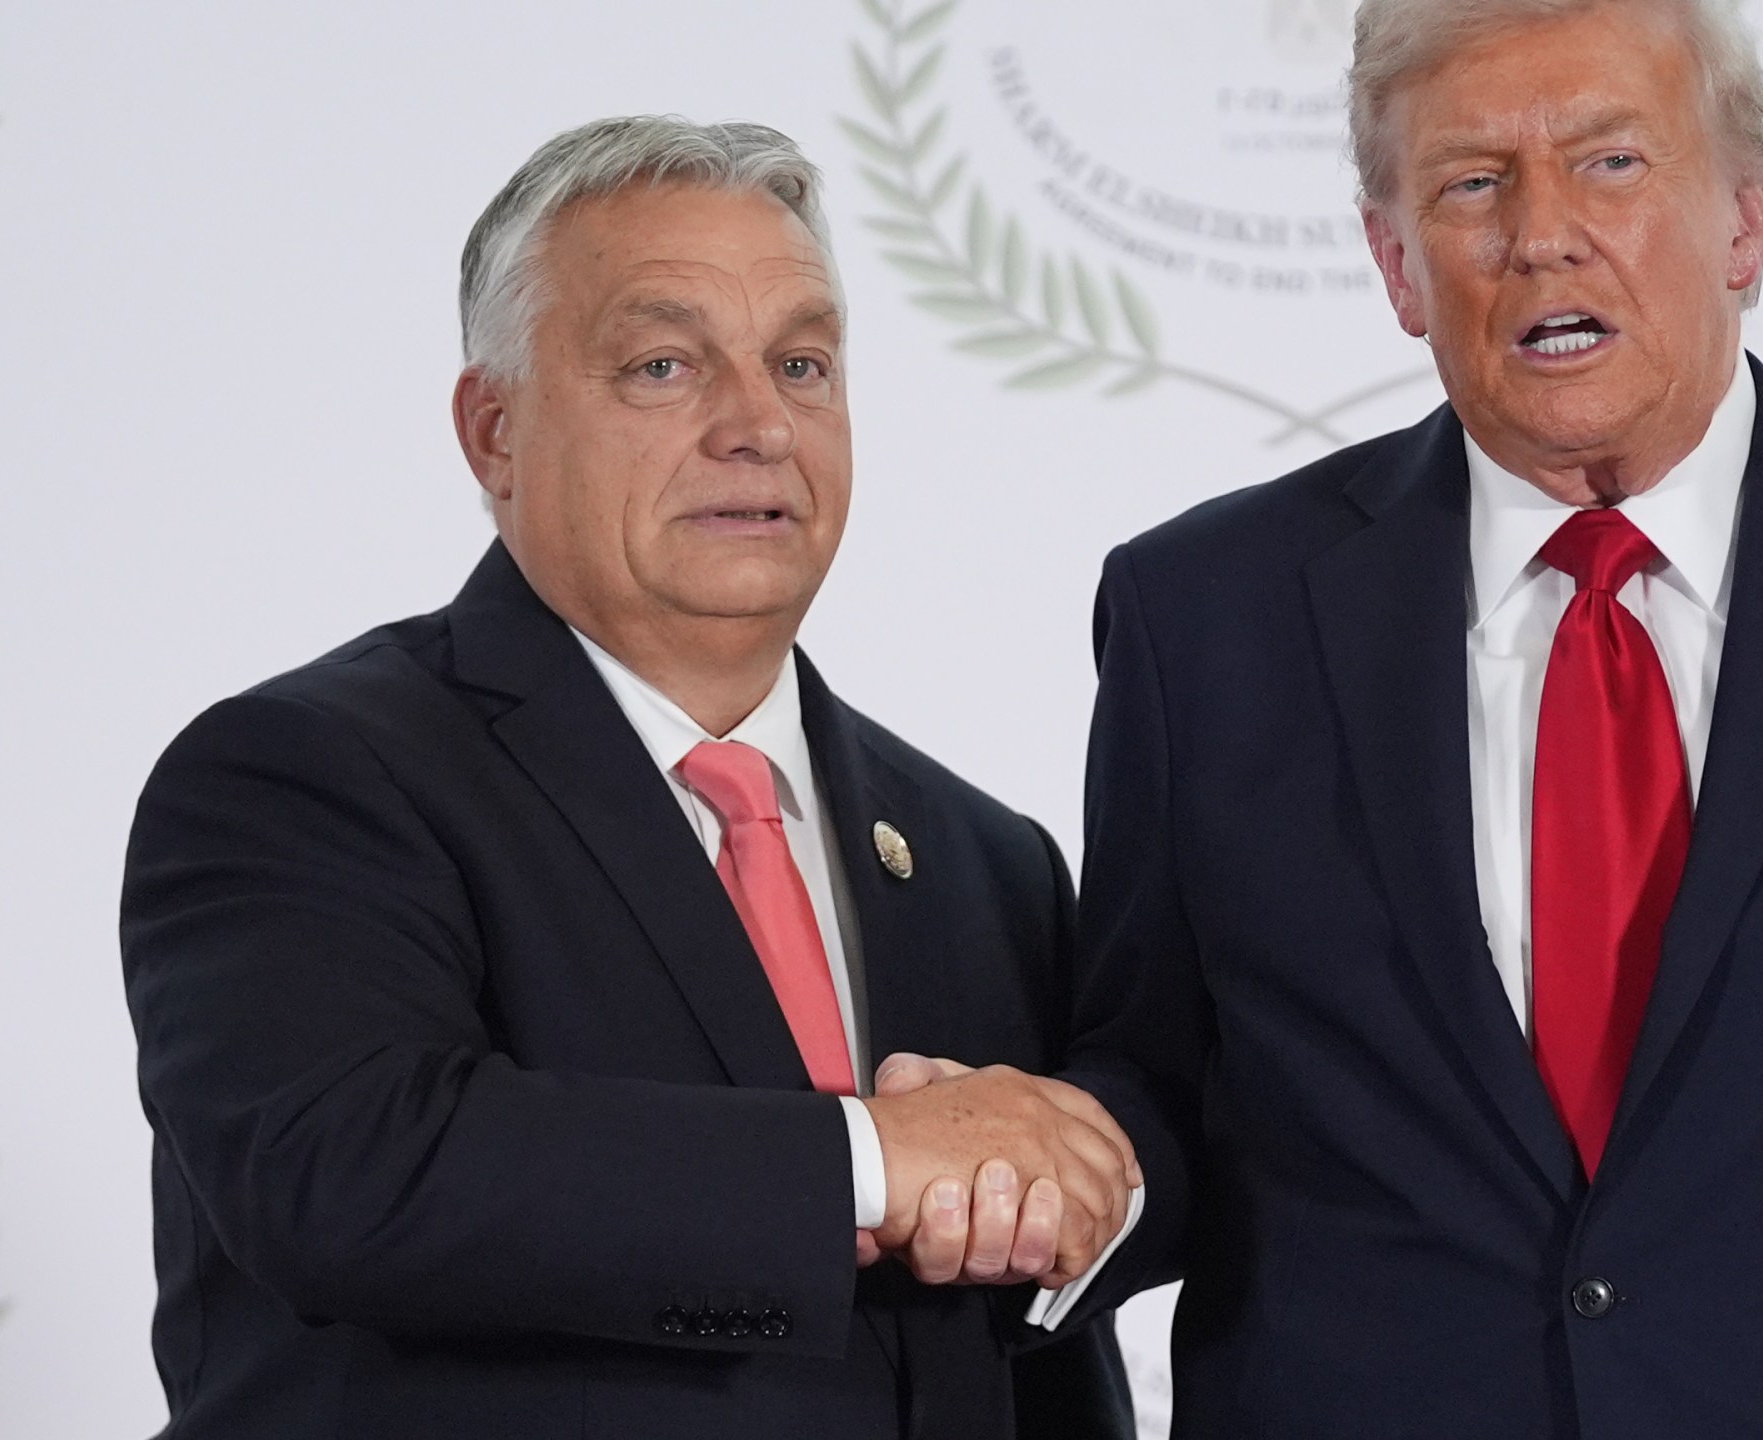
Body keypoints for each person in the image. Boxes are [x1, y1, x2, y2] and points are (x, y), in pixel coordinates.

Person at [1014, 0, 1763, 1434]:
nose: (1542, 234)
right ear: (1396, 263)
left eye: (1611, 162)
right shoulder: (1205, 620)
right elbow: (1158, 1091)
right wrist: (1031, 1169)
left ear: (1748, 222)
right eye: (1472, 182)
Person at [118, 117, 1138, 1439]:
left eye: (803, 365)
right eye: (664, 366)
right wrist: (874, 1159)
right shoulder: (305, 776)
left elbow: (1037, 1366)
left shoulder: (984, 861)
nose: (760, 425)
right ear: (494, 431)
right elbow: (351, 1175)